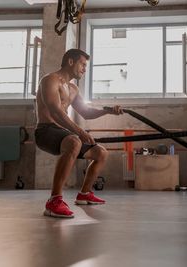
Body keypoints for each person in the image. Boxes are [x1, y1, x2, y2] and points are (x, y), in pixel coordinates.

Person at [35, 48, 123, 218]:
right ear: (70, 61)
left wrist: (108, 110)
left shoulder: (73, 89)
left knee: (101, 153)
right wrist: (80, 132)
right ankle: (54, 201)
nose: (84, 68)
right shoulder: (50, 80)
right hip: (45, 131)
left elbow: (86, 112)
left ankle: (84, 194)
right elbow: (55, 112)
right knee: (75, 141)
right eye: (82, 64)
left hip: (63, 133)